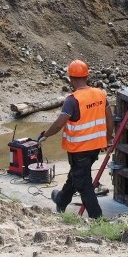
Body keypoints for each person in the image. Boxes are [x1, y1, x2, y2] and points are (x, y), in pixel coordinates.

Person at [38, 59, 114, 219]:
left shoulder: (72, 100)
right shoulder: (100, 94)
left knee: (84, 185)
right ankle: (61, 199)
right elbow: (110, 119)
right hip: (95, 149)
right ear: (87, 76)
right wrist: (106, 140)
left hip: (79, 151)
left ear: (71, 79)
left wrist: (45, 135)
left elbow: (59, 124)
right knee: (77, 176)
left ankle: (98, 219)